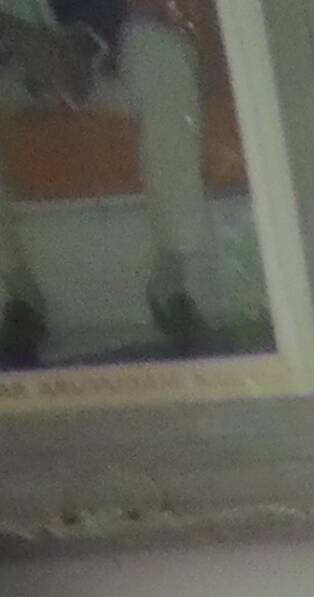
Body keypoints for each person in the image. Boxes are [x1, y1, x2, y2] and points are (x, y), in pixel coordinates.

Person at [0, 0, 220, 371]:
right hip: (13, 63)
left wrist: (87, 43)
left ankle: (173, 285)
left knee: (162, 54)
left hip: (97, 52)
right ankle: (18, 298)